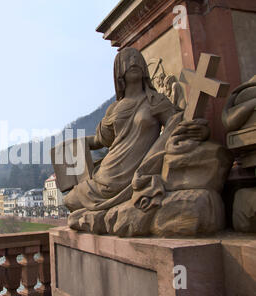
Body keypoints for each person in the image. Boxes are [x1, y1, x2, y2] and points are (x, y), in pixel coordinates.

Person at [63, 48, 206, 214]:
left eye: (137, 58)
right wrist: (74, 144)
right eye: (128, 59)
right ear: (119, 71)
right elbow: (99, 141)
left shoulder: (155, 100)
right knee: (69, 200)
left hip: (136, 172)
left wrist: (196, 130)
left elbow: (176, 124)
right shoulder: (114, 109)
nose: (134, 61)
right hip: (107, 173)